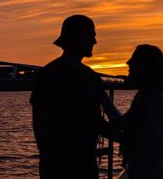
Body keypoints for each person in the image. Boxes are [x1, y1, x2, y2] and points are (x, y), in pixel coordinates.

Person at [30, 15, 116, 179]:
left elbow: (96, 122)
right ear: (74, 38)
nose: (94, 41)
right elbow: (40, 123)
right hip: (63, 166)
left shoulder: (50, 74)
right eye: (90, 35)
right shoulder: (52, 76)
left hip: (81, 164)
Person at [120, 44, 163, 179]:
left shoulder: (151, 98)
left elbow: (121, 124)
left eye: (134, 60)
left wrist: (102, 99)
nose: (128, 62)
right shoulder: (150, 96)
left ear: (145, 67)